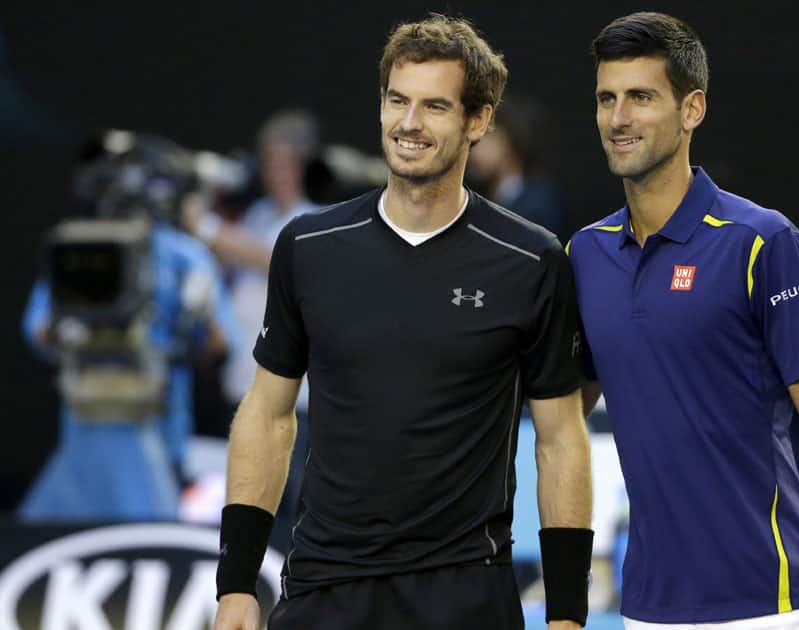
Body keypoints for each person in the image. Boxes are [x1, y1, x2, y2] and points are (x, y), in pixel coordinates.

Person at [213, 14, 593, 630]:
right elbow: (268, 413)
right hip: (323, 589)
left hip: (468, 595)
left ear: (478, 121)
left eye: (434, 106)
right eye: (397, 100)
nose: (409, 124)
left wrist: (568, 615)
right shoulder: (309, 246)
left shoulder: (533, 259)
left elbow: (559, 439)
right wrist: (236, 586)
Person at [565, 12, 799, 629]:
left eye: (641, 97)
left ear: (691, 109)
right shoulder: (583, 255)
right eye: (606, 99)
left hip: (776, 602)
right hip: (647, 607)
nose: (618, 119)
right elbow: (561, 418)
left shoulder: (762, 241)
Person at [20, 137, 241, 521]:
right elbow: (38, 331)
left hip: (156, 420)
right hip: (86, 423)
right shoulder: (81, 248)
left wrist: (198, 316)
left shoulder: (185, 257)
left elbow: (221, 349)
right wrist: (78, 327)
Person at [184, 109, 320, 529]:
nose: (276, 173)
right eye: (270, 162)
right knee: (244, 500)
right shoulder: (257, 216)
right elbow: (218, 262)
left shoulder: (315, 218)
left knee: (291, 503)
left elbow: (270, 257)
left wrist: (204, 226)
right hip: (244, 386)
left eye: (286, 163)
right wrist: (207, 193)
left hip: (293, 399)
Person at [468, 92, 569, 240]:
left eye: (486, 137)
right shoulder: (476, 199)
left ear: (509, 139)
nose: (474, 149)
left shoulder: (539, 203)